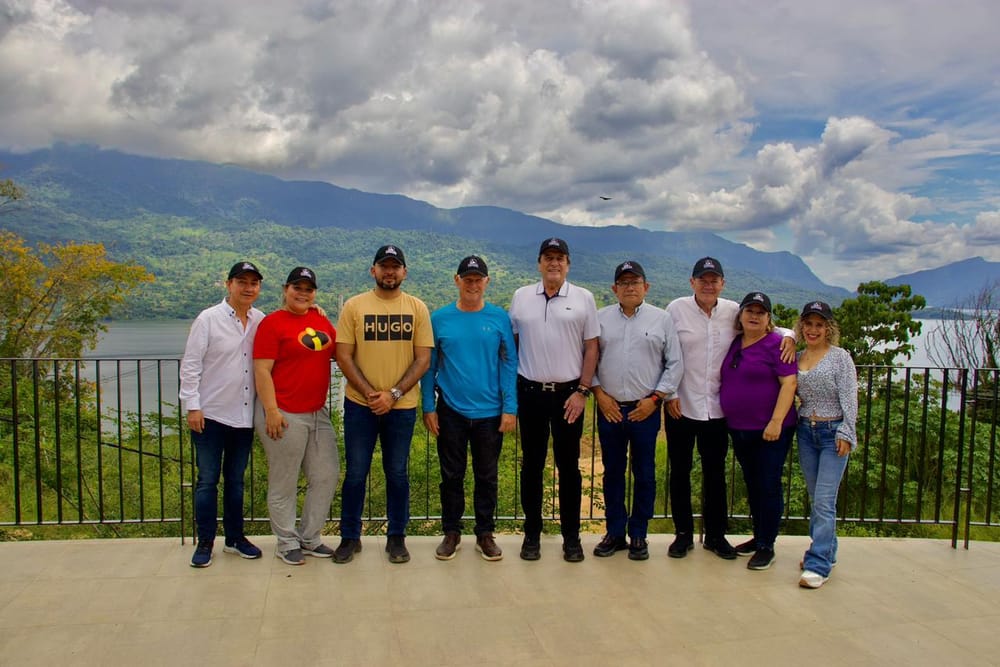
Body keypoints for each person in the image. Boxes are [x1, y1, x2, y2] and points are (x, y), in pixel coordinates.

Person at [665, 258, 794, 560]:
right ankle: (683, 534)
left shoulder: (733, 311)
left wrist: (790, 335)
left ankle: (715, 536)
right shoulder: (676, 310)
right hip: (680, 405)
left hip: (717, 410)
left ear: (722, 284)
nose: (708, 285)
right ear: (692, 282)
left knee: (715, 474)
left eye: (714, 280)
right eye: (703, 279)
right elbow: (665, 351)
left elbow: (769, 326)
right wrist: (669, 393)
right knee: (680, 472)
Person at [334, 245, 433, 565]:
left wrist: (392, 394)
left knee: (397, 473)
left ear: (404, 272)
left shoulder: (417, 308)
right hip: (360, 406)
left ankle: (397, 537)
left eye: (395, 267)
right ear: (373, 271)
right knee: (355, 473)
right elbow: (343, 355)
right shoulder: (354, 306)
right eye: (384, 266)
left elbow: (423, 359)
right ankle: (350, 537)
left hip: (401, 407)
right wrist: (369, 394)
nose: (389, 272)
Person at [508, 237, 599, 562]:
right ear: (539, 263)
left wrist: (583, 391)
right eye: (548, 257)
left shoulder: (584, 298)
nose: (554, 263)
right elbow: (513, 345)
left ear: (568, 264)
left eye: (560, 258)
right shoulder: (521, 297)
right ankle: (532, 535)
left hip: (568, 397)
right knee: (531, 466)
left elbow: (592, 347)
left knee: (569, 467)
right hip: (530, 393)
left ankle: (571, 538)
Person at [422, 255, 518, 561]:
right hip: (451, 410)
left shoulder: (499, 317)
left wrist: (510, 407)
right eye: (468, 279)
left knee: (487, 476)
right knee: (451, 475)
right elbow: (429, 367)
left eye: (478, 279)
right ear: (457, 280)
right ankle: (451, 532)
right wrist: (428, 406)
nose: (473, 284)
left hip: (491, 412)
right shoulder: (439, 319)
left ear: (487, 282)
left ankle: (485, 534)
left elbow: (508, 362)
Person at [591, 261, 683, 561]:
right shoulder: (600, 318)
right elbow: (588, 359)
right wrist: (599, 394)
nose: (630, 287)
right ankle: (615, 532)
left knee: (645, 474)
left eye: (635, 281)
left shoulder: (662, 319)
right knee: (613, 473)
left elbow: (675, 363)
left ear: (646, 287)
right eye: (624, 282)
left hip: (646, 409)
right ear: (614, 289)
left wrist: (655, 399)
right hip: (610, 409)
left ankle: (639, 534)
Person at [180, 261, 265, 567]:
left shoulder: (260, 320)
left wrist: (318, 311)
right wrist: (193, 405)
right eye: (242, 281)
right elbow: (191, 364)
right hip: (210, 415)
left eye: (253, 283)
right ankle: (205, 542)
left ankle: (235, 538)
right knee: (207, 481)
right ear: (229, 284)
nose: (248, 287)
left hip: (243, 416)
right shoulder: (208, 319)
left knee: (236, 481)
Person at [253, 267, 339, 566]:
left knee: (326, 475)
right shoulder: (272, 324)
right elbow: (262, 369)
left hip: (317, 412)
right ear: (285, 289)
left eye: (308, 288)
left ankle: (310, 536)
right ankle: (286, 540)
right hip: (284, 412)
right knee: (284, 480)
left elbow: (339, 351)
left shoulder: (319, 319)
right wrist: (271, 410)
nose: (302, 293)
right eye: (297, 287)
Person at [719, 291, 797, 571]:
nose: (754, 316)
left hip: (771, 430)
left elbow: (789, 384)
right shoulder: (735, 343)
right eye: (749, 311)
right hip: (740, 428)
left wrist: (776, 421)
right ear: (740, 315)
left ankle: (767, 545)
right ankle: (759, 536)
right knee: (753, 484)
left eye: (760, 312)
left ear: (768, 319)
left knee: (768, 484)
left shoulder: (778, 345)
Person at [795, 301, 858, 589]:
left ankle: (818, 563)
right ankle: (828, 550)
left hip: (833, 433)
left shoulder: (840, 358)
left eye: (819, 325)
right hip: (806, 431)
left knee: (824, 500)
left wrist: (847, 431)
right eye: (808, 324)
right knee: (815, 497)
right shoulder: (796, 357)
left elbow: (850, 397)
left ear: (828, 328)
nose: (813, 329)